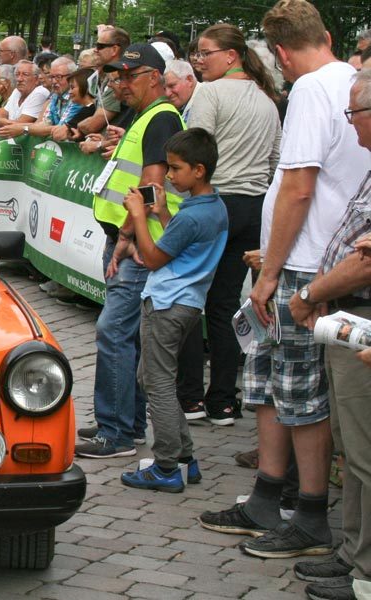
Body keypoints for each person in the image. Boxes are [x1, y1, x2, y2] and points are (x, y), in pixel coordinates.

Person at [200, 0, 370, 563]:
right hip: (306, 255)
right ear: (323, 33)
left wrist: (270, 274)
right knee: (272, 384)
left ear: (278, 52)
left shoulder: (312, 91)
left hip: (305, 263)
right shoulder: (348, 80)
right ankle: (269, 496)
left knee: (299, 392)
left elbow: (299, 184)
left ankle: (311, 511)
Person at [285, 67, 371, 600]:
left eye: (354, 114)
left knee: (364, 456)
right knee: (354, 452)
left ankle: (366, 573)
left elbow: (365, 264)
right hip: (348, 318)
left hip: (357, 315)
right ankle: (354, 554)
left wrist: (311, 293)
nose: (351, 126)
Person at [75, 43, 184, 459]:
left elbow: (151, 187)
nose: (119, 84)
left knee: (113, 332)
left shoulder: (160, 117)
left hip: (138, 243)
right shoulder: (147, 115)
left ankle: (115, 432)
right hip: (134, 239)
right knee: (126, 335)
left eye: (128, 76)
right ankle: (129, 424)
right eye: (117, 76)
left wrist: (126, 236)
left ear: (154, 78)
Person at [176, 22, 282, 427]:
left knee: (188, 298)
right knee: (222, 306)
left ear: (230, 56)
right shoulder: (268, 101)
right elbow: (275, 161)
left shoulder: (211, 93)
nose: (199, 61)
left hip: (214, 203)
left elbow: (192, 155)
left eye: (206, 53)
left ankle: (190, 398)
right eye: (197, 53)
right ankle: (223, 400)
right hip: (253, 207)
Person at [119, 128, 228, 492]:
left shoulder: (193, 217)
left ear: (199, 170)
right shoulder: (212, 207)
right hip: (187, 304)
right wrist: (163, 213)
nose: (168, 175)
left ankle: (167, 464)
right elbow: (179, 246)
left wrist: (138, 216)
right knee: (155, 378)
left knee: (158, 383)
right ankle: (184, 458)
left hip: (166, 304)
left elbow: (152, 258)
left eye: (176, 169)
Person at [0, 60, 50, 136]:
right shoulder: (17, 91)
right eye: (17, 75)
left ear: (37, 79)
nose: (19, 79)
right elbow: (0, 114)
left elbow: (18, 125)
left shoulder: (40, 92)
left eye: (25, 75)